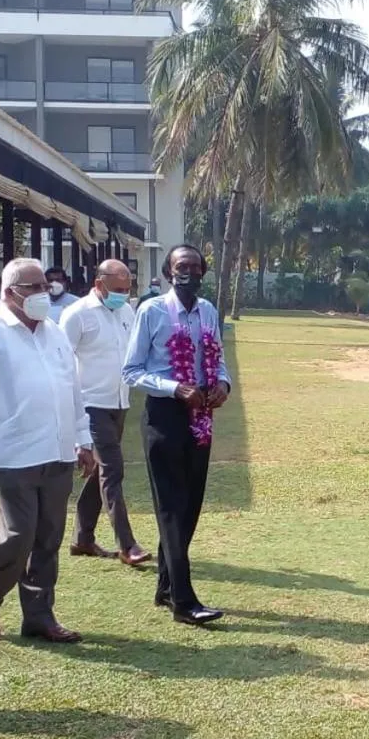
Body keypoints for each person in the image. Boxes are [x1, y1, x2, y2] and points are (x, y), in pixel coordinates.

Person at [0, 258, 95, 645]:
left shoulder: (54, 333)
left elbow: (73, 392)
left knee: (48, 536)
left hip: (57, 449)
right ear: (10, 293)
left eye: (45, 286)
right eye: (35, 287)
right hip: (10, 450)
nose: (45, 293)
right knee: (18, 533)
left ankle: (39, 615)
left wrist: (84, 441)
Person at [124, 244, 231, 626]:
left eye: (196, 267)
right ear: (169, 273)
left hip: (201, 415)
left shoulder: (209, 311)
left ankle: (166, 587)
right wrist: (174, 388)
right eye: (181, 267)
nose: (189, 273)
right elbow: (132, 370)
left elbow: (217, 360)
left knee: (189, 506)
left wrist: (222, 384)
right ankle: (184, 602)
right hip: (165, 415)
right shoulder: (151, 311)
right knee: (170, 507)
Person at [60, 260, 152, 567]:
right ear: (99, 284)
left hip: (119, 402)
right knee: (113, 470)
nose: (123, 295)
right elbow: (59, 361)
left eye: (128, 289)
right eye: (117, 290)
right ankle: (127, 545)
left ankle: (82, 539)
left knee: (101, 472)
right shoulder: (77, 315)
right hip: (89, 405)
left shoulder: (126, 312)